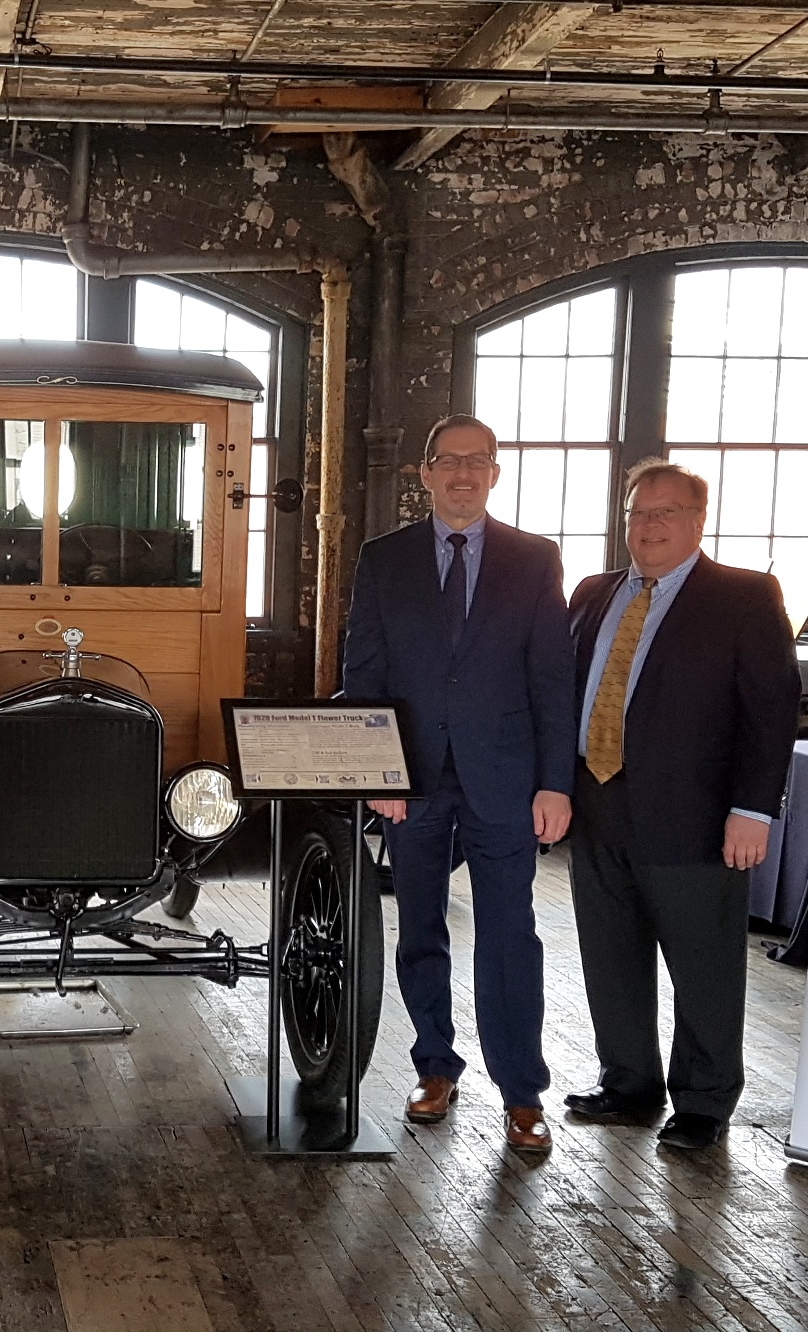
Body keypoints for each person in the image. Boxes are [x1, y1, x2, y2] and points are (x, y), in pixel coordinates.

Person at [341, 414, 576, 1156]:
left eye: (479, 461)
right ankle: (434, 1066)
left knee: (510, 937)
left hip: (505, 779)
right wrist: (380, 773)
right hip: (410, 783)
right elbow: (364, 672)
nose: (464, 474)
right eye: (449, 461)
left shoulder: (535, 560)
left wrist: (555, 784)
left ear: (496, 473)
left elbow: (552, 677)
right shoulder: (384, 559)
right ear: (426, 473)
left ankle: (522, 1092)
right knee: (420, 928)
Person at [561, 457, 800, 1152]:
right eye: (639, 512)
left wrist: (753, 809)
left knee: (704, 962)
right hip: (595, 801)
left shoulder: (745, 596)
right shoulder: (592, 593)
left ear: (699, 521)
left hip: (698, 817)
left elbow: (771, 709)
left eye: (666, 512)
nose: (650, 525)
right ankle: (629, 1084)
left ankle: (703, 1100)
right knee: (612, 954)